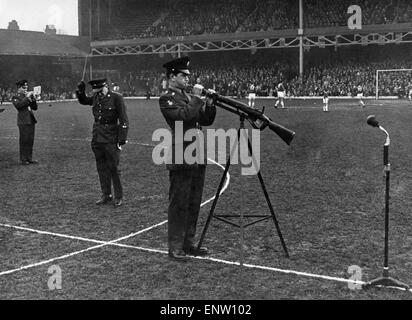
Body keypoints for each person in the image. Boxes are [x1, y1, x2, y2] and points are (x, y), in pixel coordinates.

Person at [159, 56, 216, 261]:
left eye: (187, 76)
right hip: (181, 154)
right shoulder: (167, 98)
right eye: (183, 75)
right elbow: (182, 117)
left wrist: (209, 105)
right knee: (179, 203)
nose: (186, 79)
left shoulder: (188, 96)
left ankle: (188, 243)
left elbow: (205, 119)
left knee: (194, 201)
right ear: (172, 76)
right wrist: (198, 99)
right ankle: (175, 247)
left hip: (197, 153)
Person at [76, 78, 129, 207]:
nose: (98, 94)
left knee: (114, 168)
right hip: (97, 137)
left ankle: (118, 196)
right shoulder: (96, 97)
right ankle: (106, 195)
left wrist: (121, 139)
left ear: (105, 87)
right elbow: (84, 100)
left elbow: (123, 119)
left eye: (100, 91)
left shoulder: (116, 98)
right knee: (101, 168)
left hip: (111, 137)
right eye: (97, 92)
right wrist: (80, 91)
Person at [12, 80, 38, 165]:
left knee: (30, 140)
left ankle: (29, 158)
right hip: (23, 121)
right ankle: (23, 159)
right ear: (19, 89)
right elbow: (19, 106)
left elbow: (35, 107)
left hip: (30, 120)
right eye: (24, 87)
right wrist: (26, 98)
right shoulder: (16, 97)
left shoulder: (27, 96)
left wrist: (33, 98)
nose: (26, 88)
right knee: (24, 140)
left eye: (26, 87)